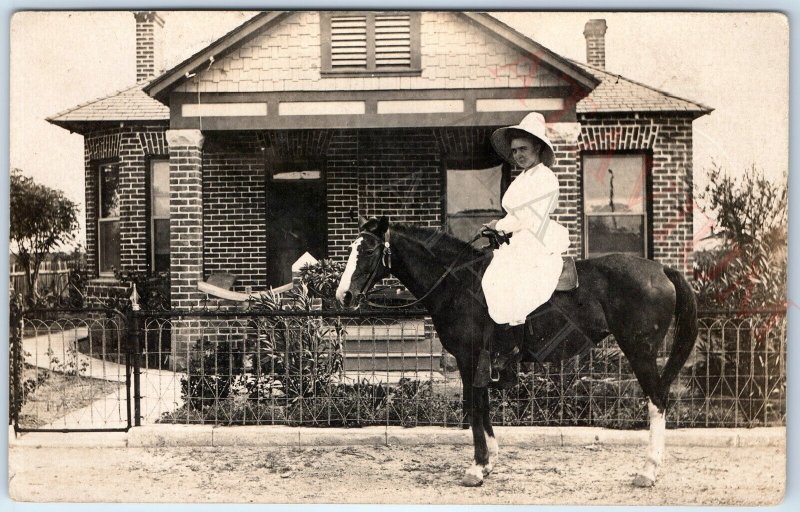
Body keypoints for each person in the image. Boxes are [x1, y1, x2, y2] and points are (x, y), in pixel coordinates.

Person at [477, 112, 571, 385]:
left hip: (536, 239)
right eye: (515, 150)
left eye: (524, 149)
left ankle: (511, 351)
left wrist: (501, 225)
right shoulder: (524, 178)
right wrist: (498, 228)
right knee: (489, 274)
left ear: (538, 148)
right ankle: (500, 346)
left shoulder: (545, 178)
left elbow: (531, 216)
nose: (518, 155)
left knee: (501, 278)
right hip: (519, 239)